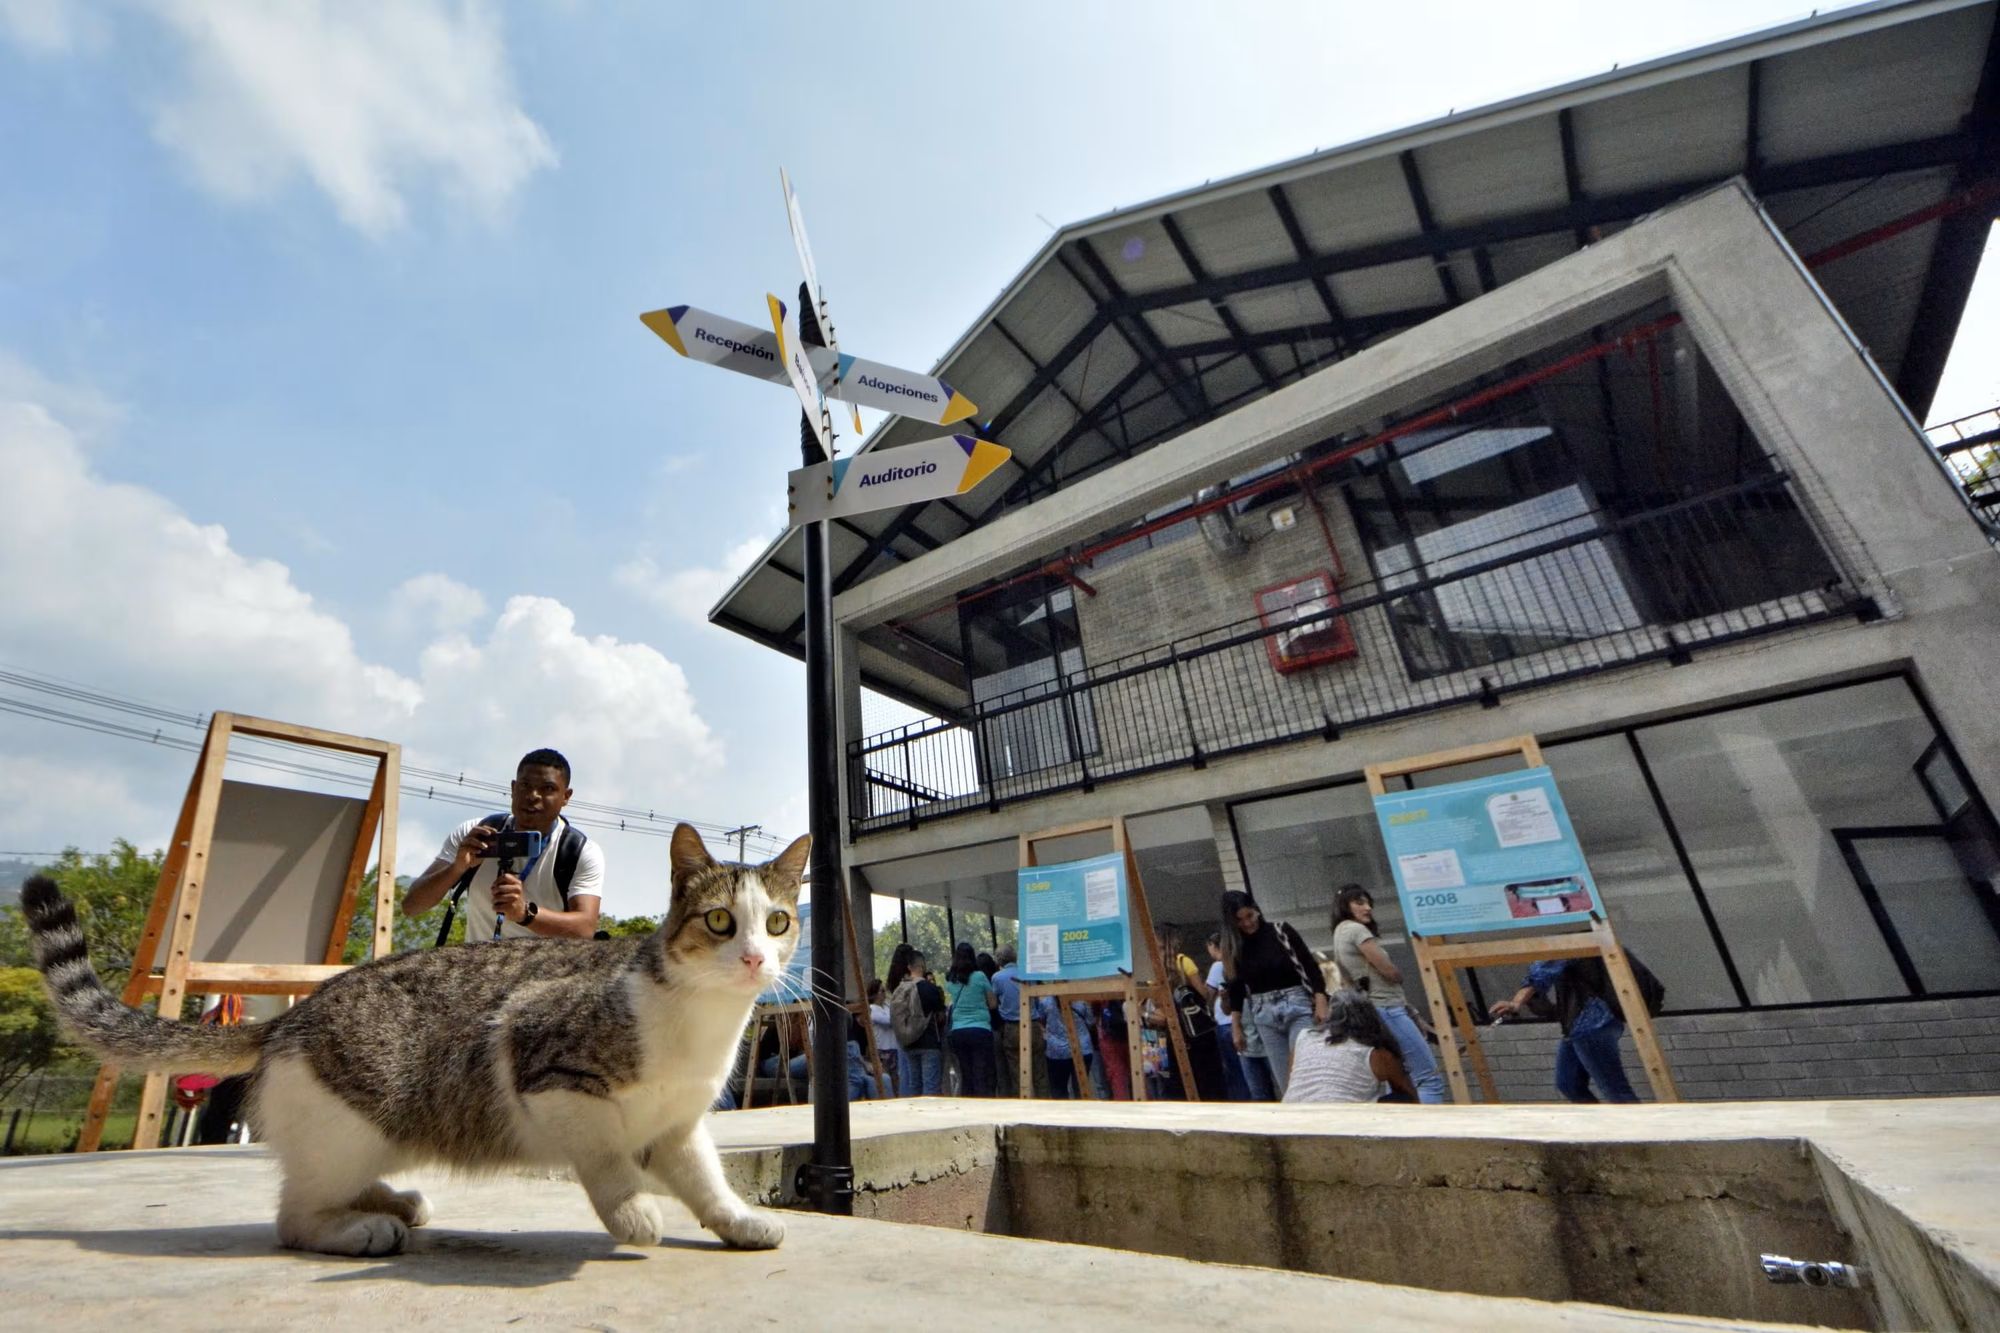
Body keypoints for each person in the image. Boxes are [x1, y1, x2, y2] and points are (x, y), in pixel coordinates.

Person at [402, 748, 603, 940]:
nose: (533, 796)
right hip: (476, 972)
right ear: (513, 788)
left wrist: (524, 913)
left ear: (566, 797)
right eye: (525, 785)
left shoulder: (579, 851)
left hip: (545, 974)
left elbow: (585, 929)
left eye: (547, 788)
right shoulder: (475, 833)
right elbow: (411, 906)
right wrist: (457, 868)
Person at [1489, 952, 1662, 1104]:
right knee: (1569, 1083)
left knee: (1614, 1089)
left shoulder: (1568, 943)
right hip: (1583, 1025)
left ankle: (1642, 1135)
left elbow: (1540, 975)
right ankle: (1604, 1127)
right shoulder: (1579, 940)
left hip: (1591, 1023)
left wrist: (1515, 1003)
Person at [1329, 885, 1447, 1104]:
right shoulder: (1357, 931)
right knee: (1428, 1078)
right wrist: (1397, 975)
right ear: (1345, 906)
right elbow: (1388, 970)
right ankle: (1430, 1132)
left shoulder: (1339, 932)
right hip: (1388, 1007)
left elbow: (1342, 976)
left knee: (1401, 1077)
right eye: (1359, 903)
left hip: (1368, 1012)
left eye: (1368, 903)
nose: (1367, 908)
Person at [1217, 889, 1327, 1099]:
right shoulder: (1233, 947)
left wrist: (1321, 1000)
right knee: (1286, 1083)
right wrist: (1236, 1026)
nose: (1248, 923)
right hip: (1262, 1013)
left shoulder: (1281, 931)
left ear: (1257, 910)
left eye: (1250, 915)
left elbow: (1310, 966)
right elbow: (1237, 988)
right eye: (1240, 920)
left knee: (1306, 1073)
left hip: (1297, 1005)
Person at [1284, 990, 1420, 1104]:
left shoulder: (1305, 1037)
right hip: (1343, 1122)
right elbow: (1408, 1092)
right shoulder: (1374, 1051)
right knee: (1402, 1098)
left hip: (1292, 1115)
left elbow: (1293, 1079)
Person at [1206, 932, 1273, 1101]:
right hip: (1240, 1030)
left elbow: (1208, 994)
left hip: (1244, 1029)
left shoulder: (1219, 966)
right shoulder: (1229, 972)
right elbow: (1228, 1007)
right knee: (1255, 1085)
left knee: (1240, 1076)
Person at [942, 942, 999, 1096]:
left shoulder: (951, 980)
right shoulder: (980, 976)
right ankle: (982, 1107)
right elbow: (993, 1003)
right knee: (980, 1073)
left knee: (965, 1075)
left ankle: (968, 1105)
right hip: (980, 1029)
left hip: (958, 1031)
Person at [889, 950, 947, 1095]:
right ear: (923, 966)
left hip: (908, 1043)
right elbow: (940, 1016)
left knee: (914, 1085)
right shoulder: (930, 988)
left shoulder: (900, 989)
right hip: (929, 1043)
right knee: (930, 1087)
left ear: (909, 967)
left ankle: (914, 1116)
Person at [1034, 994, 1096, 1099]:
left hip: (1056, 1051)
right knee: (1081, 1088)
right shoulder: (1081, 1001)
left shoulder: (1046, 1003)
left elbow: (1041, 1019)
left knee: (1058, 1090)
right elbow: (1090, 1022)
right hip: (1082, 1048)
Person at [990, 945, 1027, 1097]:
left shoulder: (997, 978)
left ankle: (1023, 1101)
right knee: (1039, 1070)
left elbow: (994, 1002)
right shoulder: (1027, 973)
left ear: (998, 960)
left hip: (1011, 1027)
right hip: (1033, 1023)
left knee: (1016, 1069)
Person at [867, 977, 899, 1096]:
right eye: (881, 991)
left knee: (896, 1078)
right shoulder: (872, 1010)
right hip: (882, 1049)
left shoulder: (887, 1007)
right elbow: (889, 1021)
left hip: (893, 1048)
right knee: (885, 1079)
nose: (884, 994)